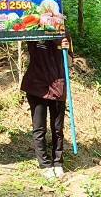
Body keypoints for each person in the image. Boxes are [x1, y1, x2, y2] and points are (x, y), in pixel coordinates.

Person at [22, 38, 69, 177]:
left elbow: (70, 62)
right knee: (39, 127)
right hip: (37, 85)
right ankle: (44, 164)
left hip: (58, 86)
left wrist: (65, 49)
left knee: (57, 128)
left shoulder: (63, 33)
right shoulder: (34, 30)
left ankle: (58, 162)